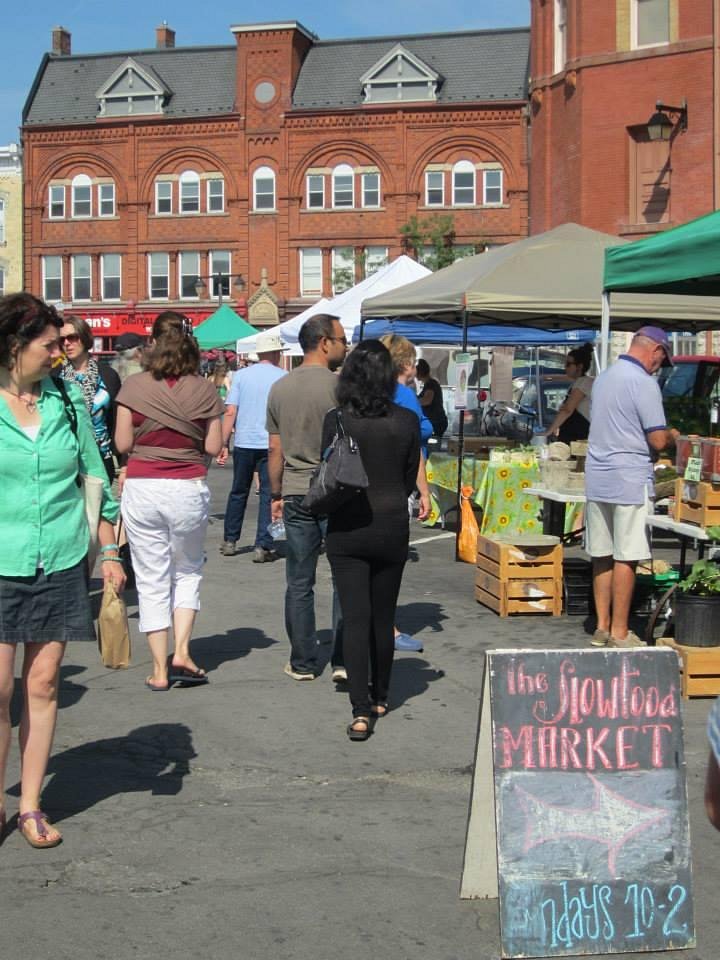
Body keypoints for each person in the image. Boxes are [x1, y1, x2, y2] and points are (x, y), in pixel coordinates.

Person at [0, 293, 124, 849]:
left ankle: (29, 805)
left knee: (44, 684)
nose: (58, 354)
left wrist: (113, 550)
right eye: (49, 345)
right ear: (13, 346)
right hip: (2, 560)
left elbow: (96, 478)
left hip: (63, 558)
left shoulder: (69, 399)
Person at [114, 311, 224, 691]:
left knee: (150, 577)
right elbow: (213, 446)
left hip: (143, 486)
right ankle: (182, 651)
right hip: (186, 486)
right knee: (187, 570)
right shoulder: (206, 389)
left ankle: (159, 669)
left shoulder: (132, 387)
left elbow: (123, 444)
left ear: (152, 342)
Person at [322, 341, 421, 740]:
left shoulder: (338, 419)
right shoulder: (406, 420)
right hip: (391, 522)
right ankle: (381, 695)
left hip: (347, 526)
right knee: (383, 617)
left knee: (355, 618)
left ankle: (361, 710)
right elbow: (409, 475)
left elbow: (326, 466)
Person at [585, 326, 678, 648]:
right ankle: (621, 632)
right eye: (661, 360)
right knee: (627, 556)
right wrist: (673, 437)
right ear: (656, 351)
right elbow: (656, 437)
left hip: (598, 475)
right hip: (629, 476)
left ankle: (602, 626)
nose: (658, 366)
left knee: (602, 554)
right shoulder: (644, 383)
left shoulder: (604, 377)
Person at [267, 313, 346, 681]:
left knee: (300, 581)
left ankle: (302, 661)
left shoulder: (280, 388)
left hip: (297, 490)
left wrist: (276, 493)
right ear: (324, 342)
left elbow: (275, 449)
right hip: (336, 490)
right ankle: (343, 661)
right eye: (342, 340)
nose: (345, 346)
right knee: (345, 577)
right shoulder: (339, 386)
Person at [379, 333, 432, 652]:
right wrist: (424, 491)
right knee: (390, 560)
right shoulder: (405, 396)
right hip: (398, 481)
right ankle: (390, 627)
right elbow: (415, 446)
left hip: (370, 480)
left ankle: (375, 624)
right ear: (406, 364)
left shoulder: (370, 391)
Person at [217, 330, 287, 562]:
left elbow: (230, 412)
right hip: (271, 441)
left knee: (238, 491)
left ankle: (230, 539)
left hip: (245, 441)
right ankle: (262, 545)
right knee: (269, 493)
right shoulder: (283, 376)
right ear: (276, 352)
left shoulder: (241, 376)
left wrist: (223, 442)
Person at [59, 314, 121, 481]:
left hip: (101, 457)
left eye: (72, 337)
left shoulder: (107, 375)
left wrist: (124, 464)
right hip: (66, 459)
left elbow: (116, 421)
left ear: (84, 338)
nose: (66, 343)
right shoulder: (55, 376)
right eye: (62, 339)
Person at [546, 342, 594, 442]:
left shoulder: (583, 382)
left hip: (578, 437)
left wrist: (549, 431)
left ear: (579, 366)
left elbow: (567, 410)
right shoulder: (579, 383)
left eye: (568, 364)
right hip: (574, 434)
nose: (565, 367)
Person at [416, 357, 448, 439]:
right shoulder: (429, 384)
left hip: (436, 422)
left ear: (419, 372)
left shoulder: (431, 384)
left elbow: (427, 400)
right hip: (436, 421)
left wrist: (413, 401)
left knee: (432, 446)